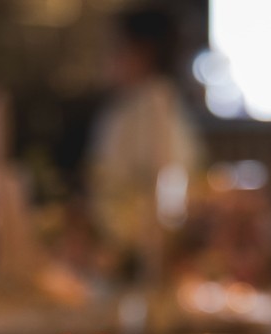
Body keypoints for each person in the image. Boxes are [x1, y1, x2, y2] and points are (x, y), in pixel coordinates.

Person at [85, 4, 203, 288]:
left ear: (143, 52)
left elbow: (173, 191)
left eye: (116, 49)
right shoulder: (131, 108)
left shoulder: (156, 109)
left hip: (140, 267)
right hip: (123, 257)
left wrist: (131, 248)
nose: (108, 60)